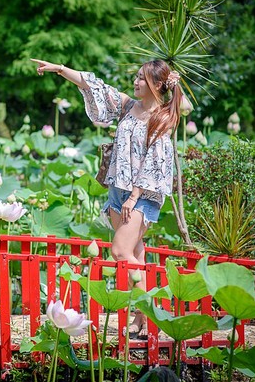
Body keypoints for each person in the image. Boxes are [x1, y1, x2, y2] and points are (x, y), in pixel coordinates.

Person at [31, 58, 186, 338]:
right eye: (137, 76)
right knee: (135, 251)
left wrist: (133, 197)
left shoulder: (162, 118)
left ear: (157, 85)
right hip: (118, 189)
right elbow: (96, 87)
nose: (136, 82)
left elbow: (154, 162)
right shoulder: (128, 106)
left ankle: (150, 312)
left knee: (120, 252)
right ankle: (141, 319)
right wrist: (61, 69)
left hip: (143, 194)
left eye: (142, 78)